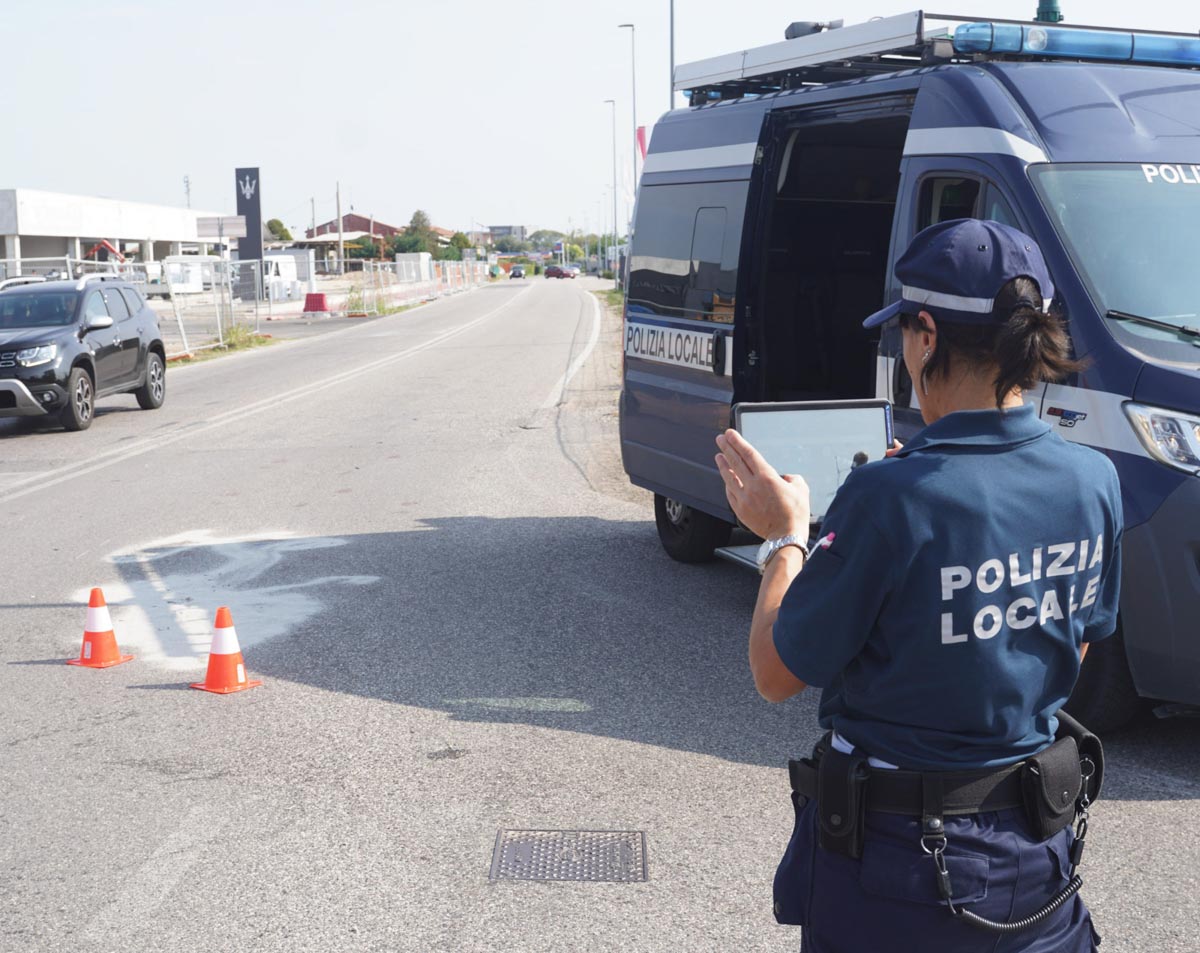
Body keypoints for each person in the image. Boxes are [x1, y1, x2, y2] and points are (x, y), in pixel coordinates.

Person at [714, 219, 1121, 953]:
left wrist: (785, 536)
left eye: (902, 332)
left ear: (926, 333)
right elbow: (1071, 649)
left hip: (899, 874)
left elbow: (775, 672)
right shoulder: (1094, 480)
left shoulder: (889, 496)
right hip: (1037, 855)